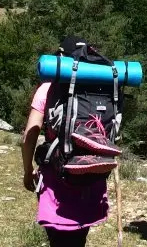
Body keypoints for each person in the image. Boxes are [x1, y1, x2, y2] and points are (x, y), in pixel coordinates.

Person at [21, 36, 110, 247]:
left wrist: (27, 170)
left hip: (56, 173)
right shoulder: (102, 86)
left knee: (58, 239)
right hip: (91, 171)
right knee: (79, 236)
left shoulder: (48, 88)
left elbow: (30, 134)